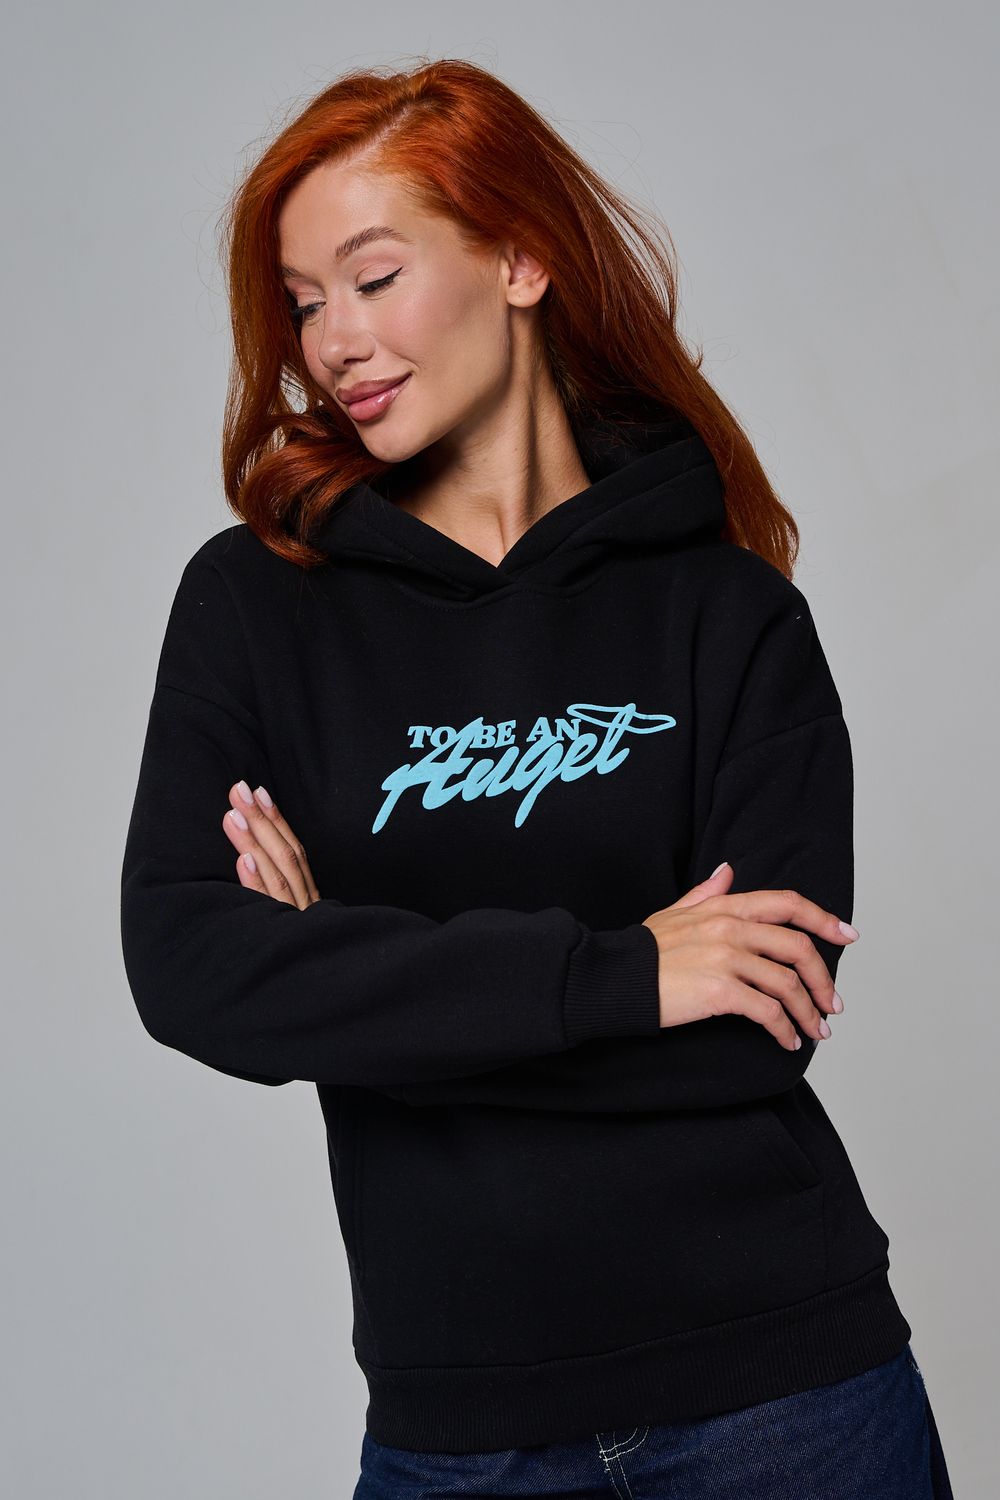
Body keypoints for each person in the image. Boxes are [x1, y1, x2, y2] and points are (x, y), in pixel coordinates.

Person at [119, 57, 955, 1499]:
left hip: (785, 1395)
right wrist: (626, 974)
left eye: (373, 278)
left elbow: (757, 1030)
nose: (333, 341)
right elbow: (192, 971)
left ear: (520, 260)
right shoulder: (258, 604)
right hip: (460, 1430)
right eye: (305, 302)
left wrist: (348, 974)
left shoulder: (730, 616)